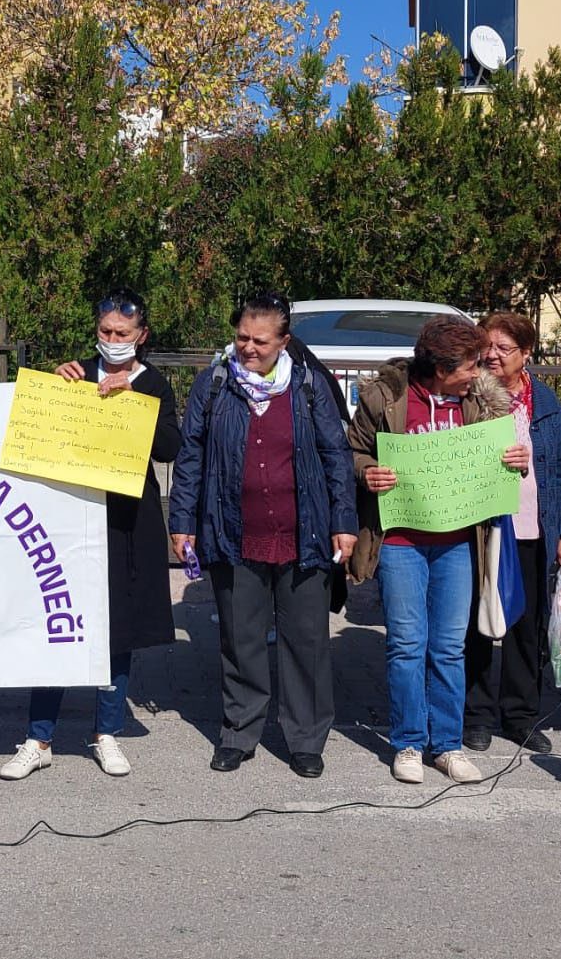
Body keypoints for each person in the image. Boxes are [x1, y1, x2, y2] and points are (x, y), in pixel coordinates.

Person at [167, 292, 358, 777]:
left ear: (284, 341)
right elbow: (190, 458)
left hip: (305, 533)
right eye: (241, 337)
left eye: (260, 340)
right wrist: (183, 521)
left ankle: (306, 738)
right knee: (241, 638)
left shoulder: (311, 386)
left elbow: (336, 457)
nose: (248, 347)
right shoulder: (214, 384)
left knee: (307, 641)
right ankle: (239, 731)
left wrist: (344, 522)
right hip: (234, 532)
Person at [0, 288, 181, 781]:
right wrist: (59, 385)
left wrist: (134, 402)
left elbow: (169, 447)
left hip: (126, 520)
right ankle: (38, 737)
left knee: (116, 631)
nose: (112, 341)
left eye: (123, 334)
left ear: (140, 336)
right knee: (57, 622)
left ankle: (107, 732)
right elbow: (35, 429)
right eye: (105, 332)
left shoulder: (153, 383)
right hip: (69, 517)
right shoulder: (76, 374)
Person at [350, 316, 523, 785]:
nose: (479, 371)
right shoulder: (384, 398)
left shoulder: (483, 402)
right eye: (469, 365)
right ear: (439, 368)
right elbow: (353, 450)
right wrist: (367, 472)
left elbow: (502, 459)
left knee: (449, 647)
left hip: (458, 543)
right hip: (402, 541)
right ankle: (408, 741)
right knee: (407, 645)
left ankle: (447, 744)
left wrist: (515, 460)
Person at [462, 313, 561, 754]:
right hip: (481, 528)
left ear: (526, 354)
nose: (491, 355)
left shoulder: (546, 404)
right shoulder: (467, 396)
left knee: (526, 628)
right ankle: (474, 715)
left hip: (532, 528)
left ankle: (521, 716)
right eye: (486, 346)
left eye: (503, 348)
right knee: (476, 624)